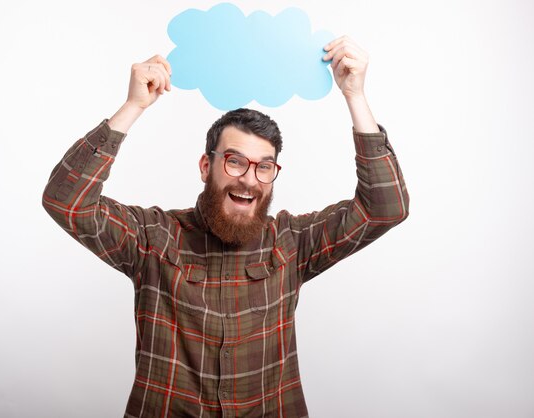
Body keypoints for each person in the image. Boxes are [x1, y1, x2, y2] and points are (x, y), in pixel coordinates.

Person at [42, 36, 409, 417]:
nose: (249, 179)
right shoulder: (153, 237)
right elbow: (66, 201)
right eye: (235, 161)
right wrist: (133, 106)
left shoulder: (292, 242)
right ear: (206, 166)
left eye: (263, 166)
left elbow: (386, 207)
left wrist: (356, 97)